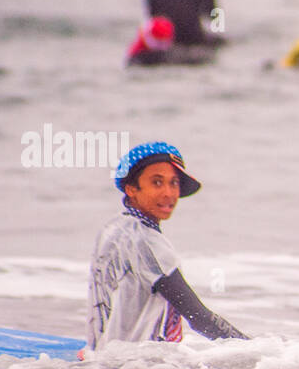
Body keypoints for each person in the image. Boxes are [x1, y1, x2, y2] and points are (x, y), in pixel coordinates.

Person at [88, 142, 247, 349]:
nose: (168, 193)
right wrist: (258, 352)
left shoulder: (115, 227)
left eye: (173, 183)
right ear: (131, 189)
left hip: (100, 357)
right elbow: (198, 317)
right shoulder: (146, 241)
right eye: (157, 182)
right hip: (128, 368)